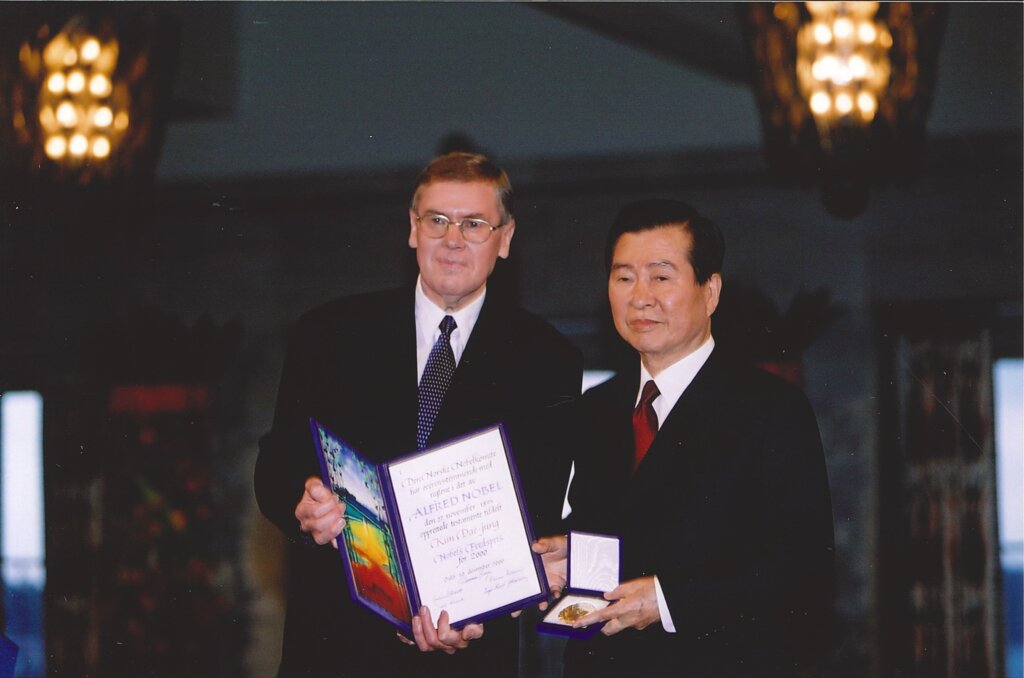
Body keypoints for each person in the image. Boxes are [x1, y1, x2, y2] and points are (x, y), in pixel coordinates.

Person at [255, 152, 583, 677]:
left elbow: (534, 509)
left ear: (505, 238)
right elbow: (276, 459)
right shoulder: (329, 333)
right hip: (335, 649)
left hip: (467, 651)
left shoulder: (548, 359)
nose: (453, 240)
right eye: (437, 220)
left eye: (475, 224)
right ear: (413, 229)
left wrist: (473, 612)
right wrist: (304, 499)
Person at [534, 199, 835, 677]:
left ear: (710, 291)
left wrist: (667, 600)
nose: (640, 297)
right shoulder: (597, 409)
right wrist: (571, 552)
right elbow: (619, 527)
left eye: (661, 276)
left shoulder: (770, 408)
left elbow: (802, 575)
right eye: (624, 277)